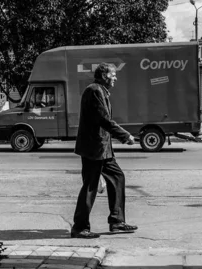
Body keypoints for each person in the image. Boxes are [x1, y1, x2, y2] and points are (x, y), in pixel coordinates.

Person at [71, 63, 138, 239]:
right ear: (103, 76)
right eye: (113, 75)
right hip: (94, 148)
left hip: (102, 148)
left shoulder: (100, 90)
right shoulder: (94, 91)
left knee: (117, 177)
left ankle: (117, 222)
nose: (115, 78)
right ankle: (79, 228)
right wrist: (125, 136)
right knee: (90, 187)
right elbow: (104, 120)